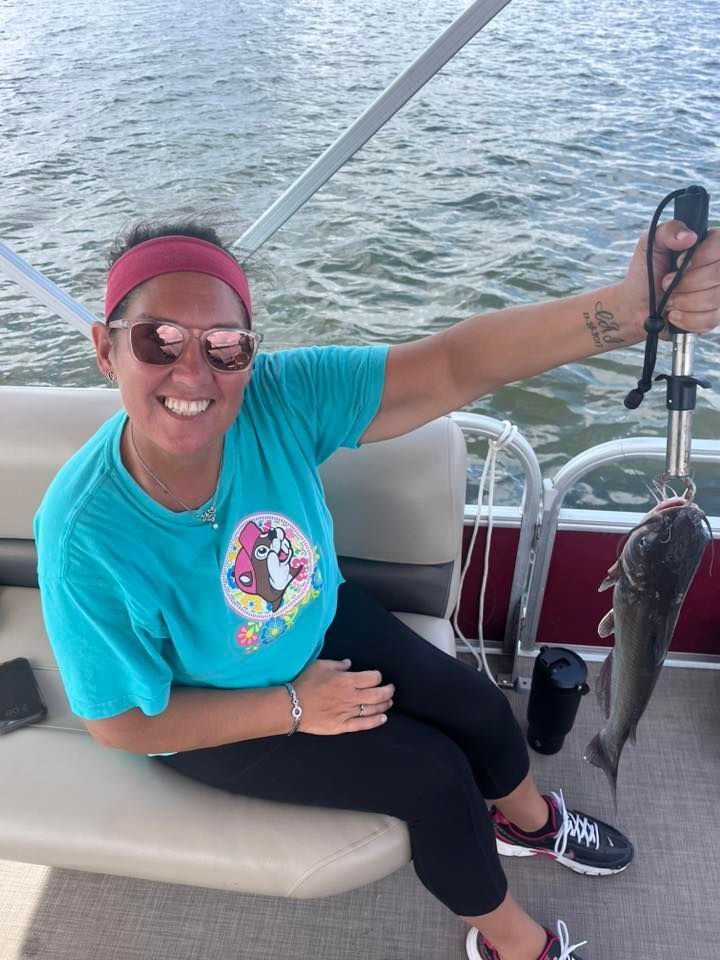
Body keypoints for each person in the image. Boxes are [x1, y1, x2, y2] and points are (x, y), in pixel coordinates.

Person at [34, 218, 720, 960]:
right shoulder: (83, 536)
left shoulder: (276, 398)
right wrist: (294, 707)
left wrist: (627, 308)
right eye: (157, 340)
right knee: (436, 783)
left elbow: (455, 365)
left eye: (225, 346)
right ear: (106, 348)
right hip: (217, 708)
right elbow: (123, 724)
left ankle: (529, 824)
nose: (196, 374)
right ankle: (515, 946)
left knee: (482, 709)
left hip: (315, 621)